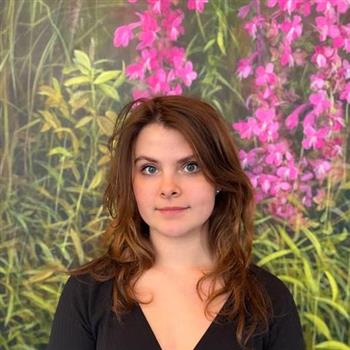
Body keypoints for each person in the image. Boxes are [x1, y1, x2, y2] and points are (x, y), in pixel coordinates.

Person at [47, 95, 305, 350]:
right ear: (131, 182)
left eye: (190, 166)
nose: (168, 188)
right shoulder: (86, 294)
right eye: (149, 169)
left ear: (218, 178)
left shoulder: (269, 300)